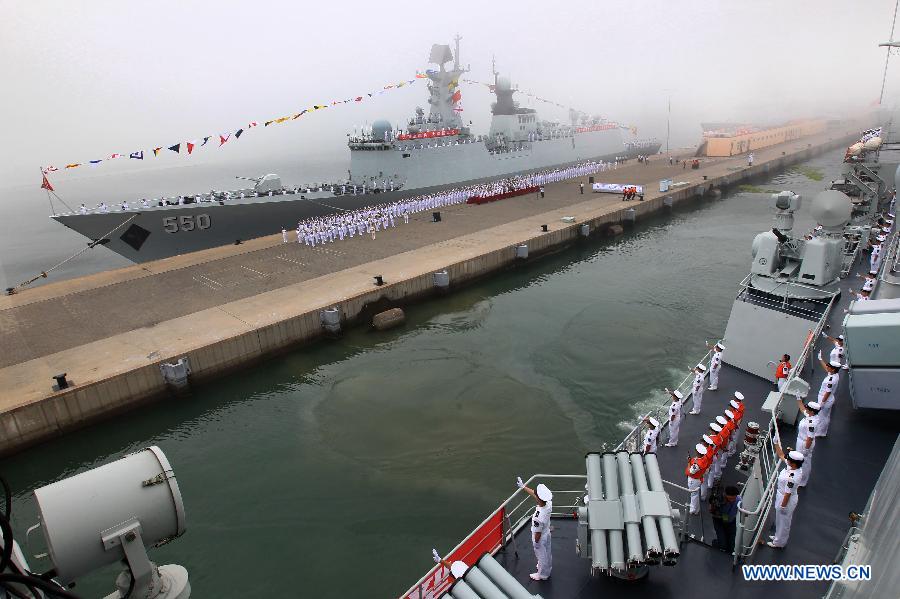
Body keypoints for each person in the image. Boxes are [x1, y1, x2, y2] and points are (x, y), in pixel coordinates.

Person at [767, 445, 804, 548]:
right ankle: (777, 536)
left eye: (789, 459)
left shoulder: (792, 477)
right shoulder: (793, 468)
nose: (786, 459)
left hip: (786, 500)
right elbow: (781, 455)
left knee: (784, 522)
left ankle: (779, 543)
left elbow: (788, 493)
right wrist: (776, 443)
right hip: (782, 496)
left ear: (793, 463)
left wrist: (783, 506)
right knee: (779, 519)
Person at [516, 477, 552, 580]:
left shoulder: (538, 516)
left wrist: (536, 543)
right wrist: (523, 487)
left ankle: (542, 575)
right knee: (547, 553)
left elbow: (538, 533)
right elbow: (535, 495)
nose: (535, 495)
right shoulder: (548, 504)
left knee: (541, 555)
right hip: (547, 533)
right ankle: (545, 567)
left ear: (539, 498)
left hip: (540, 537)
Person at [815, 352, 842, 438]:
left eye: (829, 366)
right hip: (828, 399)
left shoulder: (831, 380)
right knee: (825, 416)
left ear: (833, 369)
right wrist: (820, 359)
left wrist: (822, 403)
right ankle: (823, 431)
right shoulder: (834, 374)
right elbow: (826, 369)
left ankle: (821, 433)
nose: (827, 367)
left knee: (823, 417)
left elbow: (828, 392)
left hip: (825, 399)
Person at [795, 399, 820, 487]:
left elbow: (810, 438)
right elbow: (802, 409)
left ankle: (802, 481)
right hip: (801, 441)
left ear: (812, 411)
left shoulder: (812, 423)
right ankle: (799, 477)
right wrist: (798, 398)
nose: (806, 409)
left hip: (805, 443)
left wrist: (806, 449)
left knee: (804, 462)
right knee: (800, 460)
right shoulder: (811, 415)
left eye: (808, 408)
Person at [710, 485, 740, 553]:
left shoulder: (738, 499)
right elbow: (714, 512)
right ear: (725, 494)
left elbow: (741, 507)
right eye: (730, 499)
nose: (732, 500)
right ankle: (715, 543)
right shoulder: (719, 500)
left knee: (732, 545)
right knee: (723, 544)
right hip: (719, 520)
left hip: (731, 520)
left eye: (733, 499)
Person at [686, 443, 710, 514]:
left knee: (694, 494)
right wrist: (690, 461)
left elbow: (691, 471)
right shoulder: (704, 458)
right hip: (698, 478)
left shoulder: (697, 464)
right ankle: (696, 508)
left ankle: (694, 510)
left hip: (694, 480)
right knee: (695, 494)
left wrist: (688, 462)